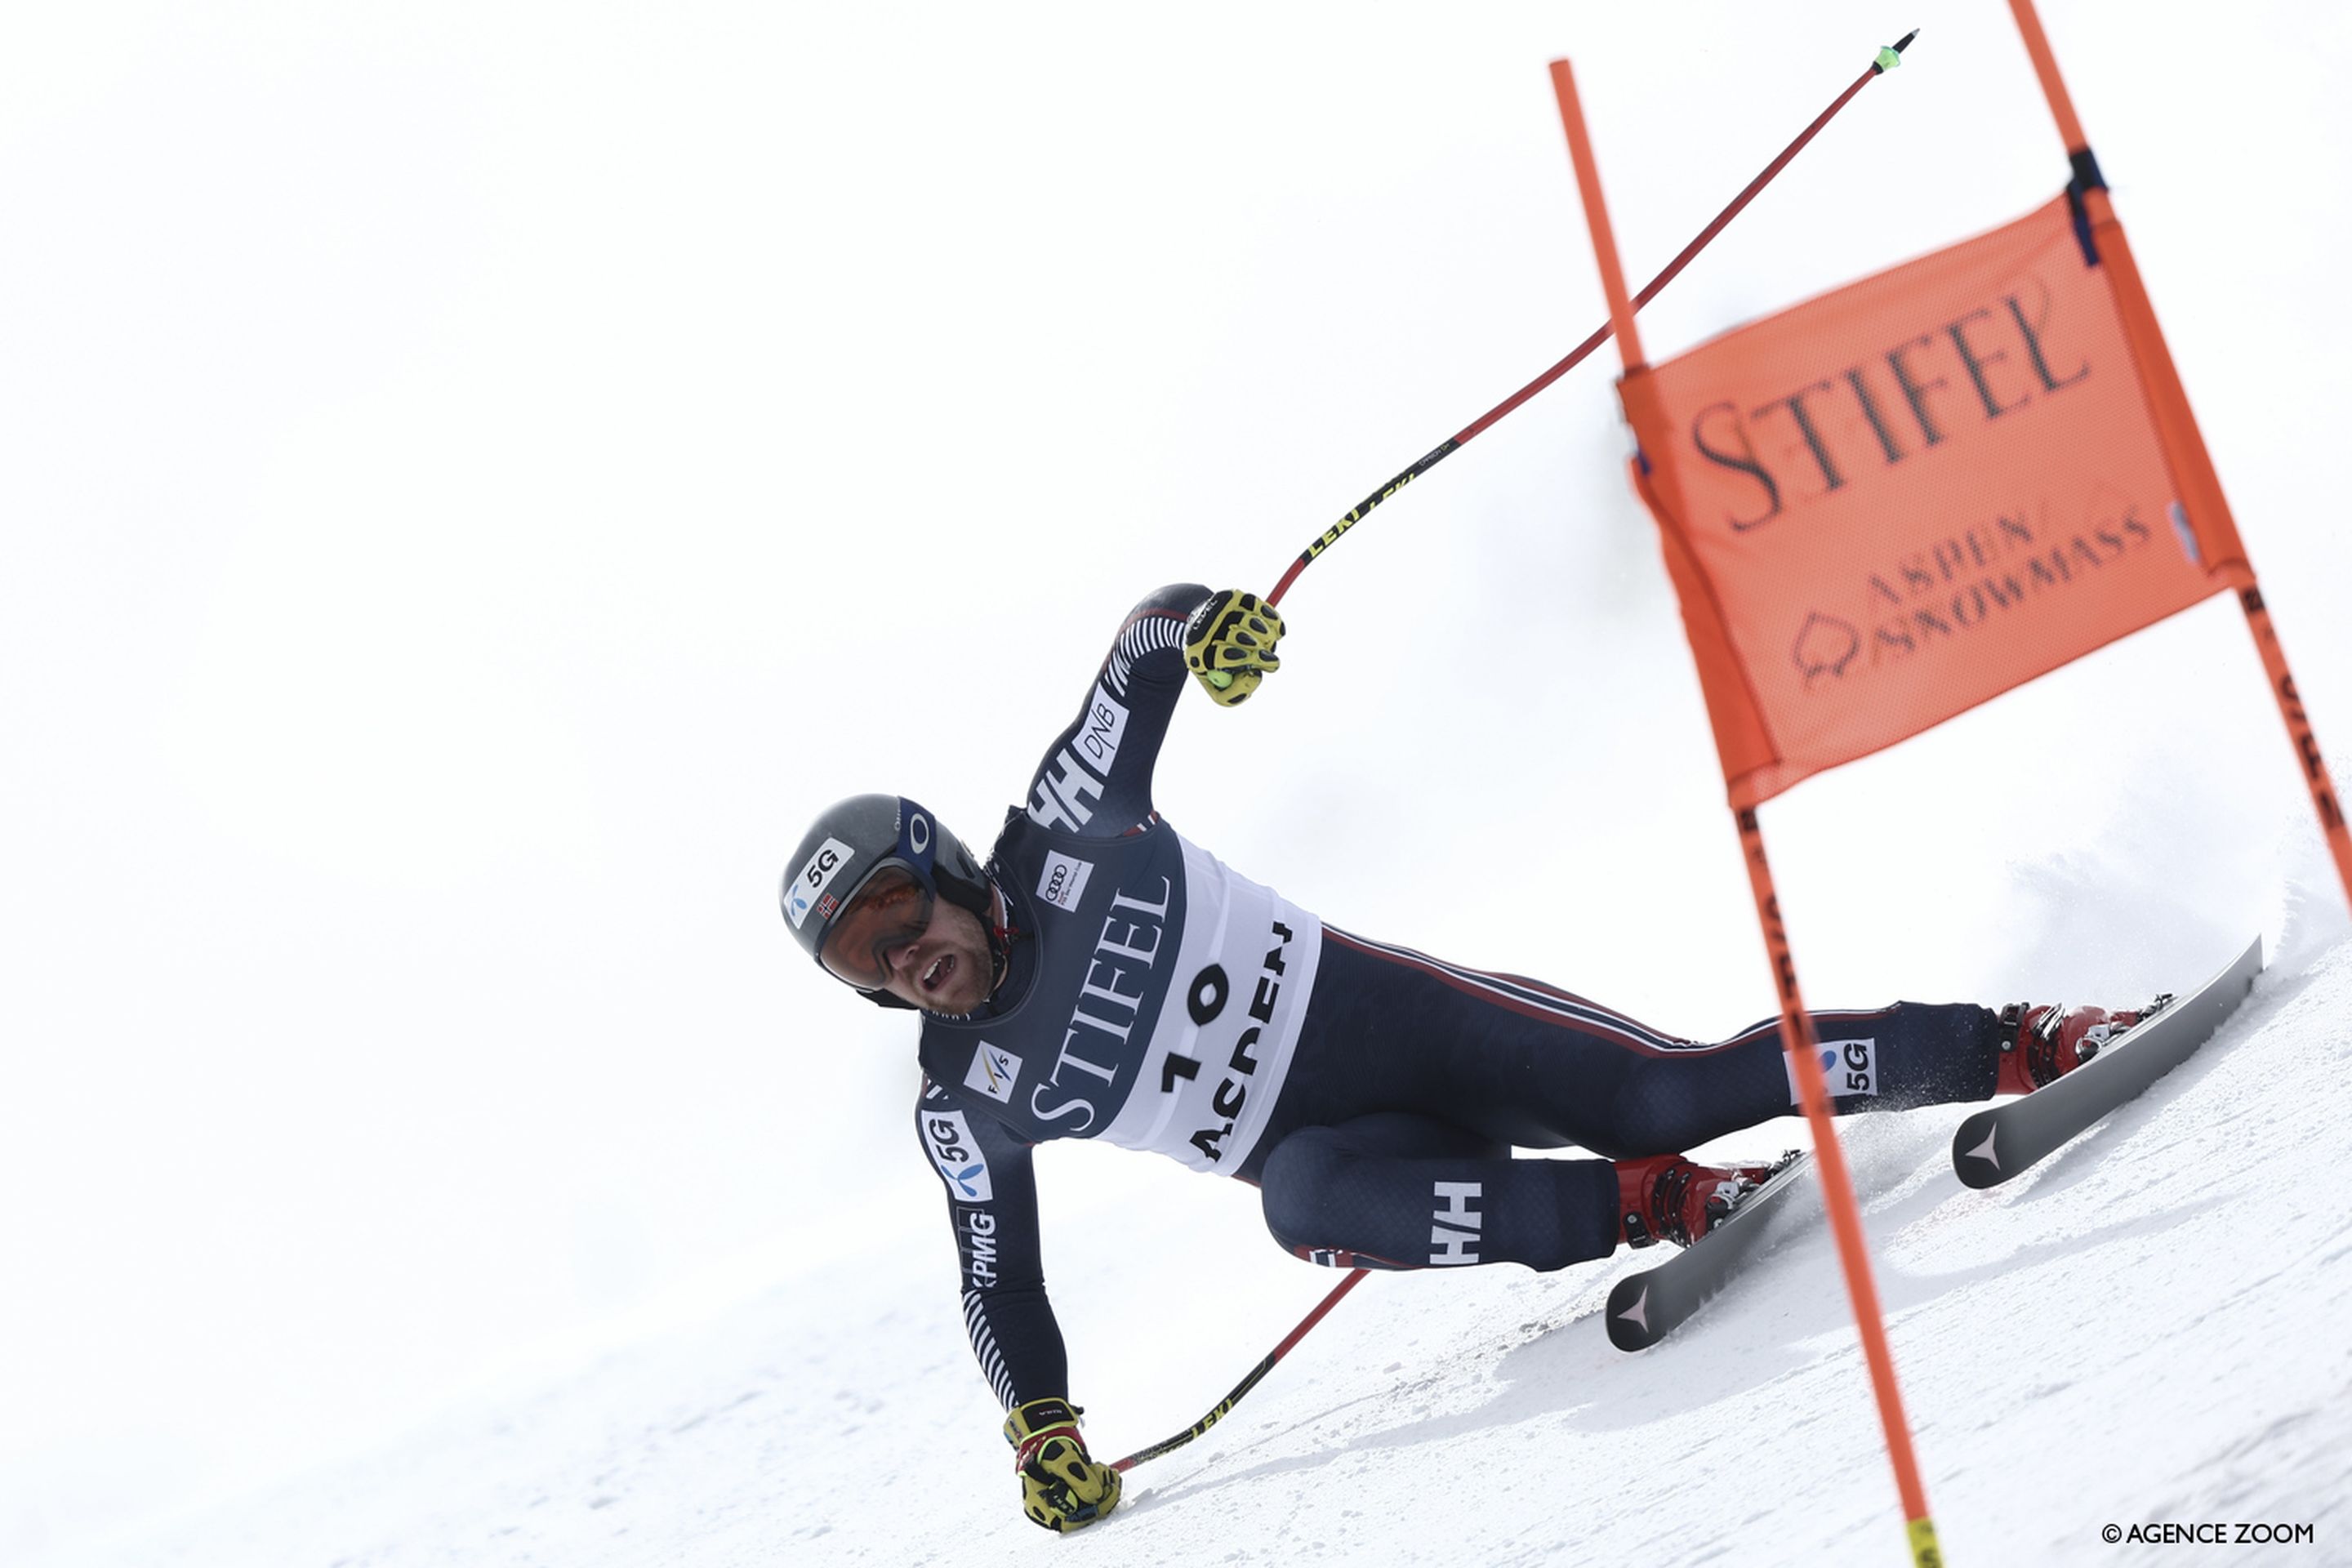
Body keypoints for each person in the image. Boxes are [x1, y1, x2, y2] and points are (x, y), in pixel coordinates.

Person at [778, 584, 2143, 1535]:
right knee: (1299, 1205)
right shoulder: (965, 1098)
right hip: (1361, 1153)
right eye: (860, 959)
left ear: (944, 867)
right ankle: (1661, 1205)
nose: (900, 959)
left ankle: (2028, 1043)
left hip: (1414, 1027)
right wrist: (1043, 1431)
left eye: (897, 914)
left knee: (1662, 1095)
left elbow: (1142, 649)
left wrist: (1211, 631)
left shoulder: (1071, 822)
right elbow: (996, 1275)